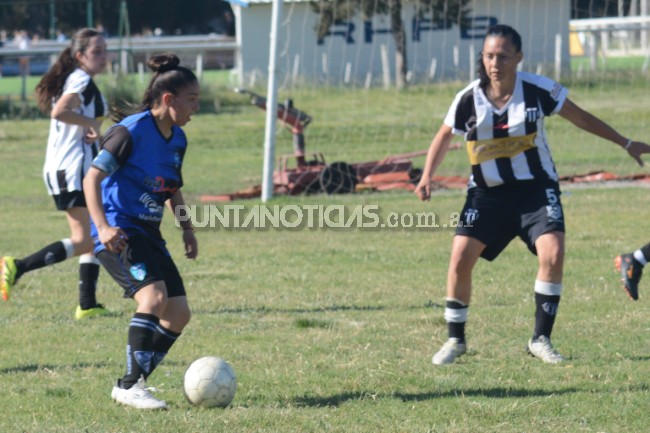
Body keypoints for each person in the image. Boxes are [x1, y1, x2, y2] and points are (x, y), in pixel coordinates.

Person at [415, 24, 650, 366]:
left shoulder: (539, 91)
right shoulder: (468, 98)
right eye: (489, 56)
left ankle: (541, 339)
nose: (495, 63)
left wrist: (625, 143)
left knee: (552, 254)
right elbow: (443, 137)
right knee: (460, 257)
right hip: (485, 196)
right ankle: (455, 340)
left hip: (536, 192)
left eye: (503, 56)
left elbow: (581, 118)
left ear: (518, 57)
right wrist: (425, 177)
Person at [83, 53, 199, 410]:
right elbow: (92, 178)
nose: (196, 108)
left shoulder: (177, 139)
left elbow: (171, 187)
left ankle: (135, 381)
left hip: (149, 232)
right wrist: (102, 227)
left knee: (178, 313)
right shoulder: (129, 131)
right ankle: (130, 384)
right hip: (119, 230)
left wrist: (187, 228)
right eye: (192, 100)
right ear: (168, 99)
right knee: (153, 299)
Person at [1, 28, 110, 320]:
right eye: (96, 51)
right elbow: (59, 112)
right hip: (72, 169)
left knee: (92, 234)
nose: (104, 56)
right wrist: (92, 123)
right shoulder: (81, 79)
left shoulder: (76, 79)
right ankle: (18, 265)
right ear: (80, 56)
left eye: (105, 49)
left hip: (70, 168)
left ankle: (87, 303)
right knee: (88, 238)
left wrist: (93, 129)